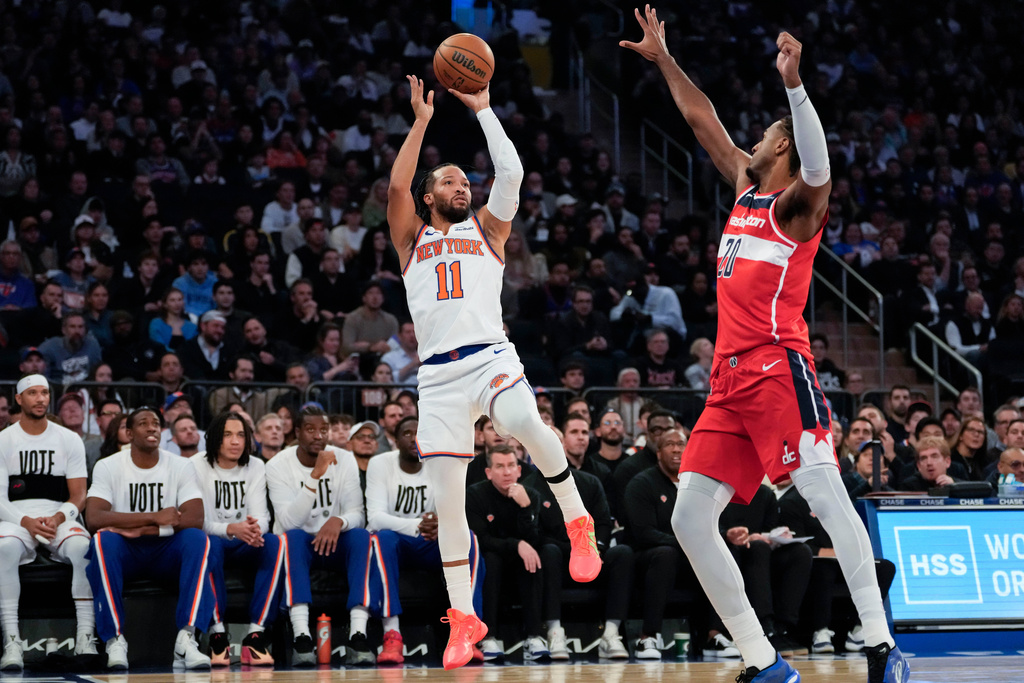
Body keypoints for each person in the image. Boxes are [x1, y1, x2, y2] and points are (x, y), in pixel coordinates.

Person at [621, 9, 907, 682]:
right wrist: (663, 58)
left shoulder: (795, 209)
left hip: (780, 368)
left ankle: (879, 643)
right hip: (727, 382)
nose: (750, 139)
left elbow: (820, 163)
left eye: (766, 134)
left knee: (823, 493)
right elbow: (700, 119)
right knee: (692, 516)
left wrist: (795, 88)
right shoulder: (747, 192)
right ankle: (762, 658)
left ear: (780, 146)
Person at [387, 76, 600, 669]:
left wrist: (482, 111)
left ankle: (576, 518)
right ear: (430, 197)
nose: (461, 185)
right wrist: (421, 122)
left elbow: (511, 175)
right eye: (449, 181)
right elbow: (397, 184)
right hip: (436, 379)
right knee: (449, 507)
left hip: (488, 357)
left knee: (524, 421)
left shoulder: (489, 228)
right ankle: (464, 619)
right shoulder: (410, 238)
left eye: (463, 180)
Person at [84, 406, 214, 670]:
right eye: (144, 423)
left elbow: (194, 518)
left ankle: (187, 638)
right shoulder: (108, 465)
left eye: (156, 423)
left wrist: (145, 530)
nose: (152, 427)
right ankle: (115, 639)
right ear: (129, 433)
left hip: (164, 549)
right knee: (101, 541)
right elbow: (95, 518)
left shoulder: (180, 465)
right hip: (126, 550)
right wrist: (155, 516)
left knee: (198, 540)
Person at [265, 405, 379, 666]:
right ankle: (302, 636)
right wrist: (315, 475)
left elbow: (357, 513)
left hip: (335, 541)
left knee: (361, 536)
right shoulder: (277, 466)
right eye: (310, 429)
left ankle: (357, 635)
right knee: (291, 536)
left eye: (323, 429)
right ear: (296, 432)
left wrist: (338, 520)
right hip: (301, 544)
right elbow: (289, 521)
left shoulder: (344, 458)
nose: (318, 435)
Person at [367, 416, 484, 665]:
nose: (414, 438)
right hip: (399, 542)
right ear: (395, 440)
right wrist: (418, 525)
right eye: (407, 433)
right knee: (380, 539)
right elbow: (375, 518)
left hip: (431, 540)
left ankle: (468, 631)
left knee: (469, 540)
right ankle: (392, 632)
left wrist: (442, 523)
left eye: (419, 433)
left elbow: (452, 510)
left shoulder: (439, 464)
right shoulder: (380, 464)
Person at [0, 375, 96, 670]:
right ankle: (12, 642)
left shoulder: (68, 438)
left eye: (44, 393)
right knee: (5, 550)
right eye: (33, 393)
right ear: (19, 399)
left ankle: (85, 637)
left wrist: (56, 517)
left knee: (82, 546)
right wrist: (26, 521)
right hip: (15, 517)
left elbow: (79, 495)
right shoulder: (4, 440)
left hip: (59, 514)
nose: (41, 398)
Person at [190, 413, 282, 666]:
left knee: (275, 543)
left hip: (246, 539)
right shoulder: (197, 465)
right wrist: (232, 528)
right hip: (215, 539)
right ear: (215, 438)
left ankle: (256, 634)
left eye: (241, 435)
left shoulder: (256, 465)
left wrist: (254, 530)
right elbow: (198, 522)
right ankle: (217, 633)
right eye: (228, 434)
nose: (235, 441)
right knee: (208, 544)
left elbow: (263, 517)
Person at [467, 446, 550, 662]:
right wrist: (516, 545)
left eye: (511, 466)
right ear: (488, 472)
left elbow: (534, 540)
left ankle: (534, 636)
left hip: (518, 560)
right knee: (491, 561)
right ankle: (488, 636)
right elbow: (481, 540)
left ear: (519, 470)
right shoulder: (476, 494)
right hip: (490, 556)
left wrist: (525, 508)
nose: (506, 472)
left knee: (532, 559)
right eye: (500, 466)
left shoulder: (530, 495)